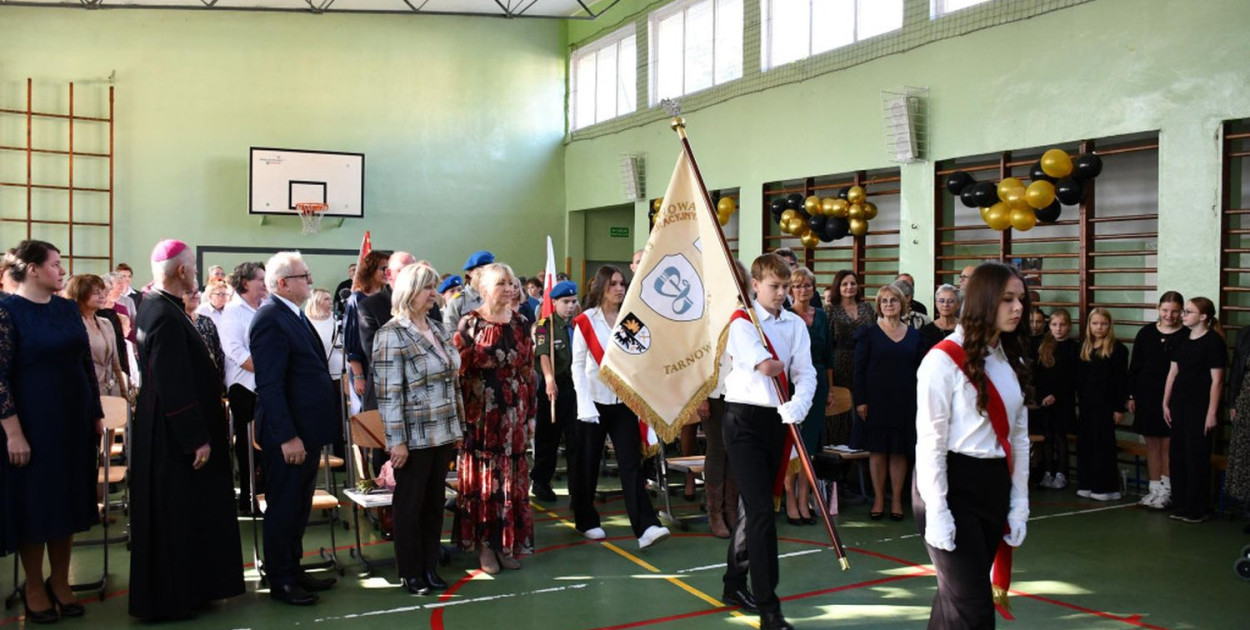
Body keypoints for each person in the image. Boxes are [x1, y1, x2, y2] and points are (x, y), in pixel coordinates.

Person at [129, 239, 244, 619]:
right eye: (193, 268)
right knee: (176, 514)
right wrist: (197, 439)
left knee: (187, 513)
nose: (195, 274)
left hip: (165, 426)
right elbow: (174, 382)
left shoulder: (158, 307)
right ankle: (177, 596)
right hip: (176, 434)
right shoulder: (164, 313)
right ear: (180, 271)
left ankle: (195, 588)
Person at [914, 262, 1030, 628]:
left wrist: (1020, 500)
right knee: (974, 609)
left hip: (993, 485)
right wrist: (937, 509)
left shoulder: (1008, 359)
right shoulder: (941, 360)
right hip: (950, 485)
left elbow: (1019, 437)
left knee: (955, 601)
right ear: (983, 301)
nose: (1018, 308)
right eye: (1007, 299)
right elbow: (930, 441)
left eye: (1021, 300)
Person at [0, 241, 103, 623]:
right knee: (36, 505)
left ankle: (60, 580)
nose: (62, 271)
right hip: (32, 424)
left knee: (69, 501)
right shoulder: (6, 311)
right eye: (56, 265)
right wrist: (13, 432)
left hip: (73, 422)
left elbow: (86, 366)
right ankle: (33, 585)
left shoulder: (65, 308)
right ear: (32, 270)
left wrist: (94, 413)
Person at [719, 253, 815, 630]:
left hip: (779, 419)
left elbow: (804, 371)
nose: (780, 294)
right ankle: (769, 607)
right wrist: (774, 368)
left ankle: (732, 583)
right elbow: (765, 365)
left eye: (784, 287)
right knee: (762, 511)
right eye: (773, 287)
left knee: (753, 506)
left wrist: (801, 403)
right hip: (743, 420)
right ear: (755, 285)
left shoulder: (795, 324)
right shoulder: (743, 321)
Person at [251, 251, 340, 605]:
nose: (311, 279)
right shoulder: (270, 318)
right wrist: (287, 436)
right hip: (289, 435)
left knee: (299, 505)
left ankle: (293, 567)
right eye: (304, 275)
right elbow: (270, 385)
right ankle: (281, 579)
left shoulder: (293, 314)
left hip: (307, 431)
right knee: (284, 506)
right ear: (284, 283)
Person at [372, 263, 465, 595]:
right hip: (413, 437)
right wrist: (396, 441)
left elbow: (453, 382)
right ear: (410, 291)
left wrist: (458, 426)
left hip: (442, 432)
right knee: (409, 506)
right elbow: (389, 394)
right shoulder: (391, 334)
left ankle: (429, 566)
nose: (434, 294)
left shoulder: (437, 329)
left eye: (434, 287)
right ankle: (410, 571)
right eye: (428, 288)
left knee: (434, 503)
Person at [568, 265, 671, 550]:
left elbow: (639, 357)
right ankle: (586, 519)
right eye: (614, 283)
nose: (620, 288)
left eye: (622, 283)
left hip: (624, 402)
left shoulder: (630, 320)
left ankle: (646, 525)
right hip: (593, 402)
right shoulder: (586, 321)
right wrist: (584, 404)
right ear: (601, 287)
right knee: (587, 465)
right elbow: (577, 366)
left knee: (631, 464)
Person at [454, 262, 536, 573]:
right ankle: (485, 547)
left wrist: (530, 415)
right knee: (487, 485)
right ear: (485, 288)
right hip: (482, 417)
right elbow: (457, 373)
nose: (510, 288)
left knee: (511, 483)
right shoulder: (470, 324)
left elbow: (527, 371)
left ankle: (506, 544)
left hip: (513, 415)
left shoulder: (520, 322)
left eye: (512, 282)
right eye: (502, 283)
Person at [855, 283, 927, 520]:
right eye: (884, 301)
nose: (888, 305)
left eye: (893, 300)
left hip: (906, 400)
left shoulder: (916, 336)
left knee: (899, 451)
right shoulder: (868, 333)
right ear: (878, 305)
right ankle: (878, 499)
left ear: (901, 304)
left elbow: (923, 370)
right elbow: (859, 369)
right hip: (875, 400)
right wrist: (861, 401)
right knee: (877, 451)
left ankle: (896, 499)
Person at [1162, 297, 1225, 523]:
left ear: (1204, 317)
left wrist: (1211, 412)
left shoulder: (1213, 342)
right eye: (1184, 311)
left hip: (1199, 407)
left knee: (1196, 455)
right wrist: (1165, 402)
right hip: (1179, 404)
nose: (1183, 315)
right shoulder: (1182, 340)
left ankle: (1197, 507)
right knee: (1177, 454)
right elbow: (1173, 373)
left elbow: (1217, 381)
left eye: (1188, 312)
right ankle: (1181, 503)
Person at [783, 267, 833, 525]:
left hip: (819, 383)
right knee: (793, 445)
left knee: (809, 448)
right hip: (793, 384)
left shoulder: (822, 317)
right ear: (791, 290)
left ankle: (805, 499)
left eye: (807, 286)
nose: (803, 290)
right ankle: (790, 499)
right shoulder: (786, 317)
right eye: (798, 286)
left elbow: (828, 355)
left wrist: (830, 389)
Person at [1127, 292, 1184, 509]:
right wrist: (1131, 395)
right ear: (1158, 308)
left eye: (1175, 311)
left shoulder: (1185, 335)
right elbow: (1135, 366)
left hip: (1172, 398)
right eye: (1165, 310)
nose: (1169, 315)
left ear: (1181, 312)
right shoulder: (1146, 333)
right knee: (1151, 443)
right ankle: (1154, 489)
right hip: (1147, 396)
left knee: (1168, 445)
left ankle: (1167, 490)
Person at [220, 261, 267, 513]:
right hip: (244, 386)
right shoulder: (233, 311)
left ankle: (265, 492)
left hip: (266, 385)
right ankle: (248, 497)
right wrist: (266, 369)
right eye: (260, 279)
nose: (264, 283)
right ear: (246, 282)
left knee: (266, 442)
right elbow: (234, 350)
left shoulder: (266, 306)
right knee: (248, 444)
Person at [530, 280, 578, 503]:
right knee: (548, 437)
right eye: (565, 302)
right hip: (554, 385)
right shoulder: (544, 325)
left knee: (576, 438)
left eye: (573, 301)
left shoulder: (578, 325)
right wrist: (549, 380)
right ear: (555, 302)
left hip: (575, 386)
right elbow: (543, 355)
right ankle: (541, 481)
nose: (570, 306)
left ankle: (577, 486)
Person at [1075, 307, 1129, 501]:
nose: (1099, 327)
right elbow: (1080, 380)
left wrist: (1118, 407)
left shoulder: (1117, 349)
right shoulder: (1084, 347)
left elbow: (1121, 381)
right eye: (1095, 323)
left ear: (1109, 325)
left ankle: (1106, 487)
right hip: (1087, 405)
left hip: (1105, 406)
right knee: (1086, 445)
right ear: (1089, 325)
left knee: (1102, 446)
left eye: (1103, 324)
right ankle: (1087, 483)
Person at [358, 251, 418, 410]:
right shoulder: (370, 306)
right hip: (387, 397)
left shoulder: (428, 306)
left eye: (414, 270)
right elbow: (377, 356)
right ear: (389, 273)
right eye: (404, 271)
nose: (410, 276)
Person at [826, 269, 875, 447]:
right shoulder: (830, 310)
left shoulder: (867, 308)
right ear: (837, 287)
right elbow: (828, 343)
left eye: (853, 283)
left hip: (864, 363)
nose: (849, 287)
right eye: (845, 284)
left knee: (863, 406)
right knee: (841, 411)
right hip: (839, 363)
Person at [1034, 309, 1078, 490]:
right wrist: (1042, 396)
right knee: (1047, 436)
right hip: (1044, 400)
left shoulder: (1073, 347)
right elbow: (1039, 375)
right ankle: (1047, 472)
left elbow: (1072, 377)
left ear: (1068, 326)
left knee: (1060, 436)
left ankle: (1061, 473)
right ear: (1049, 326)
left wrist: (1056, 395)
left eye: (1062, 325)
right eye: (1054, 325)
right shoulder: (1044, 345)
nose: (1058, 328)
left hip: (1063, 401)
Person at [68, 274, 130, 400]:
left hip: (112, 394)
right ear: (81, 295)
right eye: (96, 293)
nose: (103, 296)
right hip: (86, 395)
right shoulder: (72, 325)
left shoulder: (106, 323)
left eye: (103, 291)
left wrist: (125, 394)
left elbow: (116, 363)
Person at [344, 250, 389, 415]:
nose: (387, 273)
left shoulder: (387, 296)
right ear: (370, 270)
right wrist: (358, 376)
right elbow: (352, 338)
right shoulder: (357, 299)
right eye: (383, 268)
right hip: (365, 366)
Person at [1225, 322, 1250, 530]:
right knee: (1245, 454)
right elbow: (1236, 371)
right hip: (1246, 400)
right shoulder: (1245, 334)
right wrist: (1232, 401)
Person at [184, 287, 226, 388]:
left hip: (209, 383)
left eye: (196, 292)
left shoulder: (207, 322)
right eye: (189, 292)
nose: (195, 295)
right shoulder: (176, 322)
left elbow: (218, 355)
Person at [443, 250, 493, 332]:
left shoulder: (495, 295)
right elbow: (450, 332)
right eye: (480, 271)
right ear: (469, 273)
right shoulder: (457, 301)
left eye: (490, 270)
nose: (486, 274)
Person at [305, 288, 345, 384]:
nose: (330, 302)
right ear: (316, 301)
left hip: (342, 373)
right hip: (320, 374)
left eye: (330, 299)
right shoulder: (306, 322)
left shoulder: (338, 318)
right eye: (326, 299)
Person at [920, 284, 960, 349]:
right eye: (941, 301)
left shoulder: (965, 328)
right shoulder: (927, 331)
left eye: (950, 301)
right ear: (936, 304)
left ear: (958, 304)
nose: (945, 304)